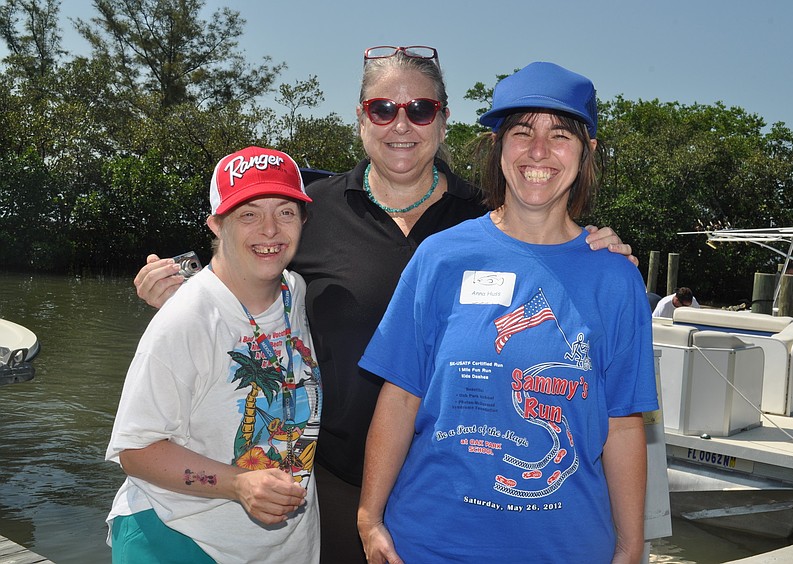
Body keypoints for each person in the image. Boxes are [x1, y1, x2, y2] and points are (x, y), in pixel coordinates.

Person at [132, 46, 635, 563]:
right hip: (330, 482)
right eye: (382, 108)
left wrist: (605, 254)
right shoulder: (307, 211)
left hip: (455, 488)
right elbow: (241, 280)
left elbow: (562, 264)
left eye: (420, 109)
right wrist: (179, 292)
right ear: (360, 117)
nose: (402, 123)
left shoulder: (491, 216)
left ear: (443, 121)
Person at [357, 62, 658, 563]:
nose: (538, 151)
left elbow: (624, 426)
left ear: (586, 154)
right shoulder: (440, 256)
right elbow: (400, 396)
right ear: (498, 147)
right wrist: (369, 517)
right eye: (522, 132)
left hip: (567, 548)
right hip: (430, 543)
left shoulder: (617, 278)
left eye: (560, 135)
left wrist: (630, 548)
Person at [107, 147, 321, 563]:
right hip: (180, 538)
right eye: (248, 214)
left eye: (286, 212)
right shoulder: (185, 318)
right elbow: (135, 451)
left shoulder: (295, 292)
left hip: (278, 547)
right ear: (216, 224)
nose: (270, 229)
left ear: (303, 221)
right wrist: (238, 484)